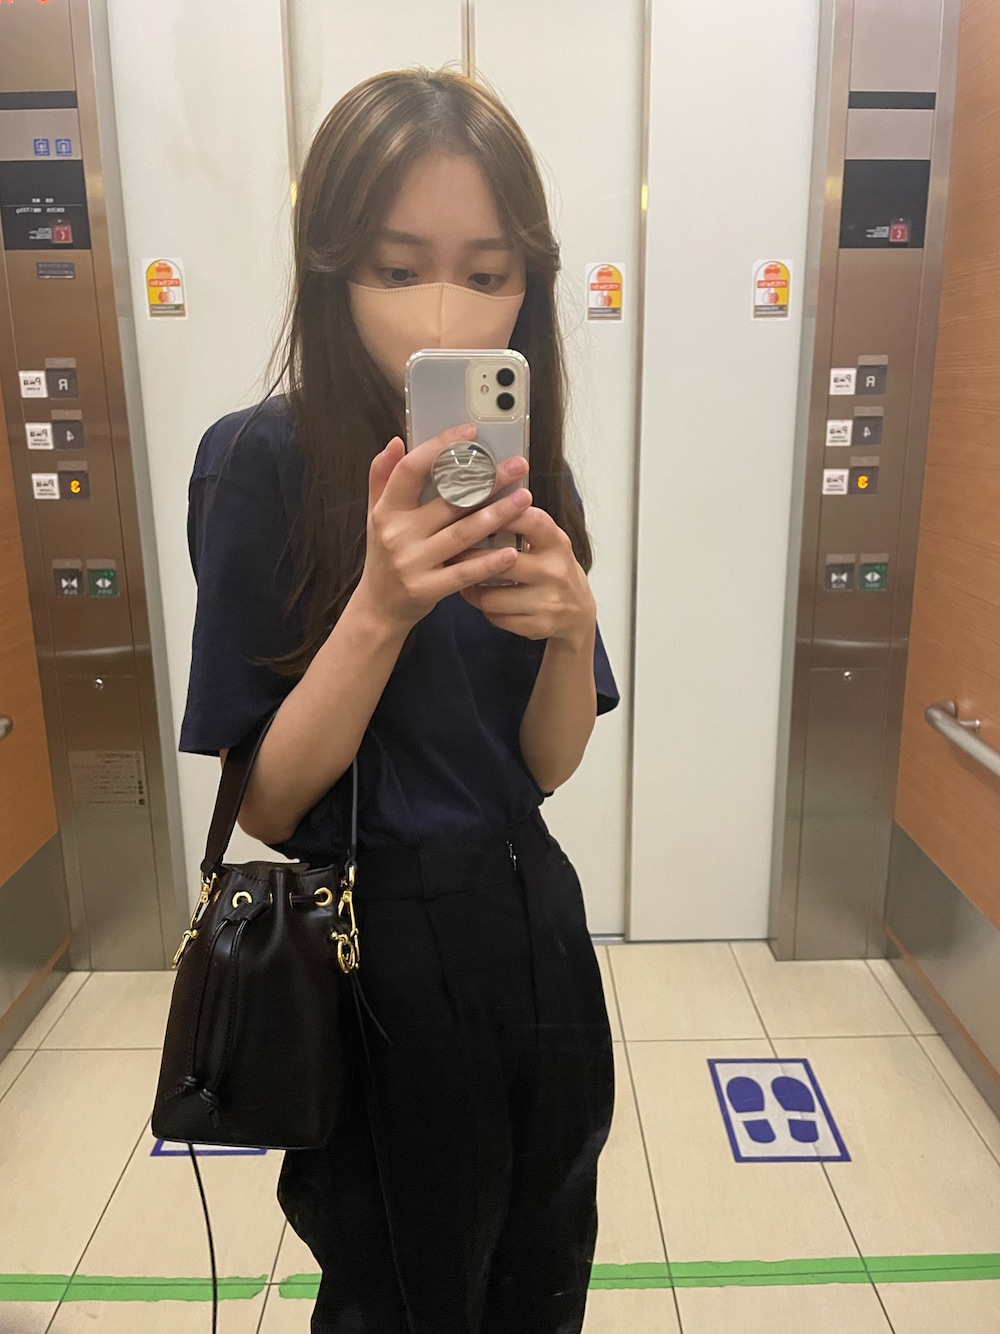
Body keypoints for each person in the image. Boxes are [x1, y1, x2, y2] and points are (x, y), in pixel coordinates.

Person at [179, 67, 619, 1334]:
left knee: (543, 1259)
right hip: (372, 937)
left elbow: (545, 764)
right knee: (394, 1288)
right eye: (396, 266)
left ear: (527, 281)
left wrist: (570, 630)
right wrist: (377, 607)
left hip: (531, 913)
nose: (443, 308)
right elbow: (267, 804)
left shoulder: (517, 468)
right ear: (332, 271)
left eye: (486, 272)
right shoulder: (257, 459)